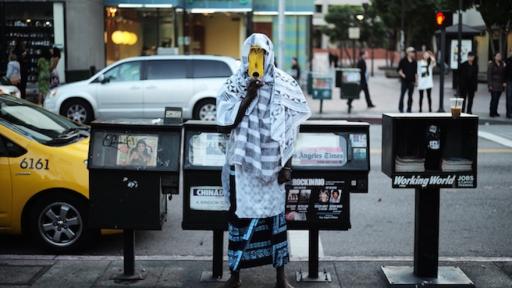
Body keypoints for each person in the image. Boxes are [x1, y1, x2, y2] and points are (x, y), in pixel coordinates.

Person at [216, 33, 311, 288]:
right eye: (253, 52)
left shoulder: (284, 84)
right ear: (246, 54)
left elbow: (292, 130)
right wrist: (248, 95)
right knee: (239, 220)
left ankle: (281, 277)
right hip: (244, 167)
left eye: (262, 52)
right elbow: (225, 124)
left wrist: (288, 166)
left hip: (274, 167)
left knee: (276, 222)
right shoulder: (236, 83)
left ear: (270, 54)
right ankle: (234, 275)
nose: (258, 57)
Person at [397, 47, 418, 113]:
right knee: (402, 95)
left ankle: (409, 108)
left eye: (414, 52)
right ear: (408, 53)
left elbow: (415, 73)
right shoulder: (403, 60)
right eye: (412, 52)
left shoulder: (414, 62)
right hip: (404, 81)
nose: (413, 54)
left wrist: (416, 81)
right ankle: (401, 108)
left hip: (411, 81)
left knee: (410, 96)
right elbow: (399, 70)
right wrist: (403, 75)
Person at [488, 52, 506, 117]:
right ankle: (491, 112)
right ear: (495, 57)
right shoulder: (491, 64)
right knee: (494, 99)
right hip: (493, 84)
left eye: (500, 56)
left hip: (500, 85)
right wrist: (490, 85)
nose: (499, 57)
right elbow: (489, 75)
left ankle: (495, 111)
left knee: (497, 99)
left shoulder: (502, 64)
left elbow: (504, 74)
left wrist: (504, 82)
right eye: (497, 56)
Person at [505, 50, 512, 118]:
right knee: (509, 97)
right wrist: (504, 81)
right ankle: (508, 113)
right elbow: (505, 71)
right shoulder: (508, 60)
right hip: (509, 81)